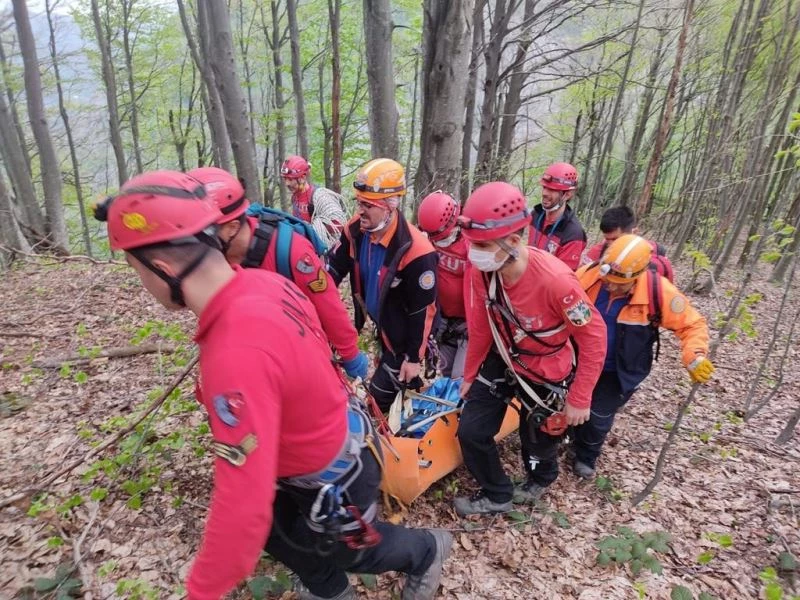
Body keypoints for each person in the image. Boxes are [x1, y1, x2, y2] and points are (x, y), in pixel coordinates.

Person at [94, 170, 452, 600]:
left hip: (330, 470)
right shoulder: (263, 283)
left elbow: (241, 504)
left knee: (355, 551)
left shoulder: (235, 350)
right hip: (314, 449)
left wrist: (202, 591)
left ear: (163, 266)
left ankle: (428, 550)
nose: (143, 284)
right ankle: (329, 589)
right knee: (278, 531)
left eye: (137, 271)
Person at [453, 181, 607, 516]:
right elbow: (481, 325)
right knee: (471, 431)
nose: (472, 252)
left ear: (512, 241)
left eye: (480, 244)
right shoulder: (483, 269)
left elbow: (593, 336)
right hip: (504, 356)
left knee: (538, 439)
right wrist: (469, 374)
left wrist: (580, 397)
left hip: (546, 367)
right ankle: (497, 492)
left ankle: (540, 477)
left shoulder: (557, 281)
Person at [188, 166, 368, 382]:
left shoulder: (292, 252)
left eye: (203, 234)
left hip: (303, 355)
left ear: (231, 227)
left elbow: (326, 302)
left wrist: (350, 353)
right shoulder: (214, 261)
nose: (197, 244)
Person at [573, 234, 713, 478]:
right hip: (580, 358)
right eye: (609, 281)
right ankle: (570, 437)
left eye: (619, 284)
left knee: (598, 416)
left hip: (619, 368)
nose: (611, 287)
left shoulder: (659, 292)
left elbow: (692, 324)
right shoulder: (588, 276)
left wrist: (694, 355)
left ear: (638, 275)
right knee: (572, 403)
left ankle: (586, 455)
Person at [327, 158, 438, 412]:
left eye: (368, 205)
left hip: (404, 334)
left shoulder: (416, 251)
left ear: (390, 206)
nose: (360, 211)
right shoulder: (355, 231)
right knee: (385, 391)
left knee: (376, 399)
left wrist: (412, 357)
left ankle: (395, 427)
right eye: (358, 203)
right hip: (382, 323)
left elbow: (424, 310)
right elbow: (335, 268)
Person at [416, 191, 469, 379]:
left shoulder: (472, 244)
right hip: (444, 320)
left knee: (459, 378)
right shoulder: (428, 239)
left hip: (469, 323)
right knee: (446, 374)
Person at [581, 205, 674, 281]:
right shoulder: (596, 253)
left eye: (615, 239)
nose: (610, 244)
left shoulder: (655, 260)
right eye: (606, 239)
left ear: (634, 232)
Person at [281, 155, 348, 249]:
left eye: (290, 179)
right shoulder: (295, 198)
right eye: (285, 179)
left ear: (303, 177)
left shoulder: (319, 196)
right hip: (305, 249)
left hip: (325, 253)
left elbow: (339, 225)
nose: (287, 183)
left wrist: (312, 229)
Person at [529, 162, 587, 270]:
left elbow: (562, 279)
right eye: (544, 187)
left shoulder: (572, 234)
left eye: (552, 189)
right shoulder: (536, 214)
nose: (545, 193)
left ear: (568, 194)